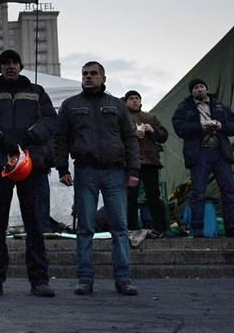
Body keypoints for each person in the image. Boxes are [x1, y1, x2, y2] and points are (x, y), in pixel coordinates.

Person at [0, 49, 57, 298]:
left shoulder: (37, 91)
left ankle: (39, 279)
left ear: (21, 65)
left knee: (35, 224)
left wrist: (31, 136)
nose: (10, 66)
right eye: (5, 63)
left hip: (32, 164)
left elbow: (50, 120)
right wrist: (0, 140)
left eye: (14, 62)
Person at [54, 61, 140, 297]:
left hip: (116, 172)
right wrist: (62, 168)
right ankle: (84, 280)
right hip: (86, 171)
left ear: (104, 78)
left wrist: (134, 171)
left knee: (120, 229)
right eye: (85, 74)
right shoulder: (71, 105)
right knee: (85, 228)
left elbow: (130, 138)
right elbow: (60, 138)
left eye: (93, 74)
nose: (88, 77)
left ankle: (123, 280)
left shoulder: (117, 105)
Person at [172, 78, 234, 238]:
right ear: (191, 91)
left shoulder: (219, 105)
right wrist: (200, 127)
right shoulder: (184, 107)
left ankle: (232, 228)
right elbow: (179, 128)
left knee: (228, 191)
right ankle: (197, 230)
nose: (199, 90)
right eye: (195, 88)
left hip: (220, 152)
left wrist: (221, 126)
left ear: (206, 88)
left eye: (201, 86)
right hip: (199, 153)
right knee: (198, 193)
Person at [124, 90, 169, 235]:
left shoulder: (150, 117)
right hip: (130, 162)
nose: (134, 101)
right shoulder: (122, 117)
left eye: (137, 98)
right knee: (130, 197)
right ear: (126, 102)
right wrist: (132, 133)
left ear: (141, 101)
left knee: (153, 196)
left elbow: (163, 136)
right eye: (131, 98)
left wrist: (153, 130)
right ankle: (131, 227)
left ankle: (160, 228)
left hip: (150, 161)